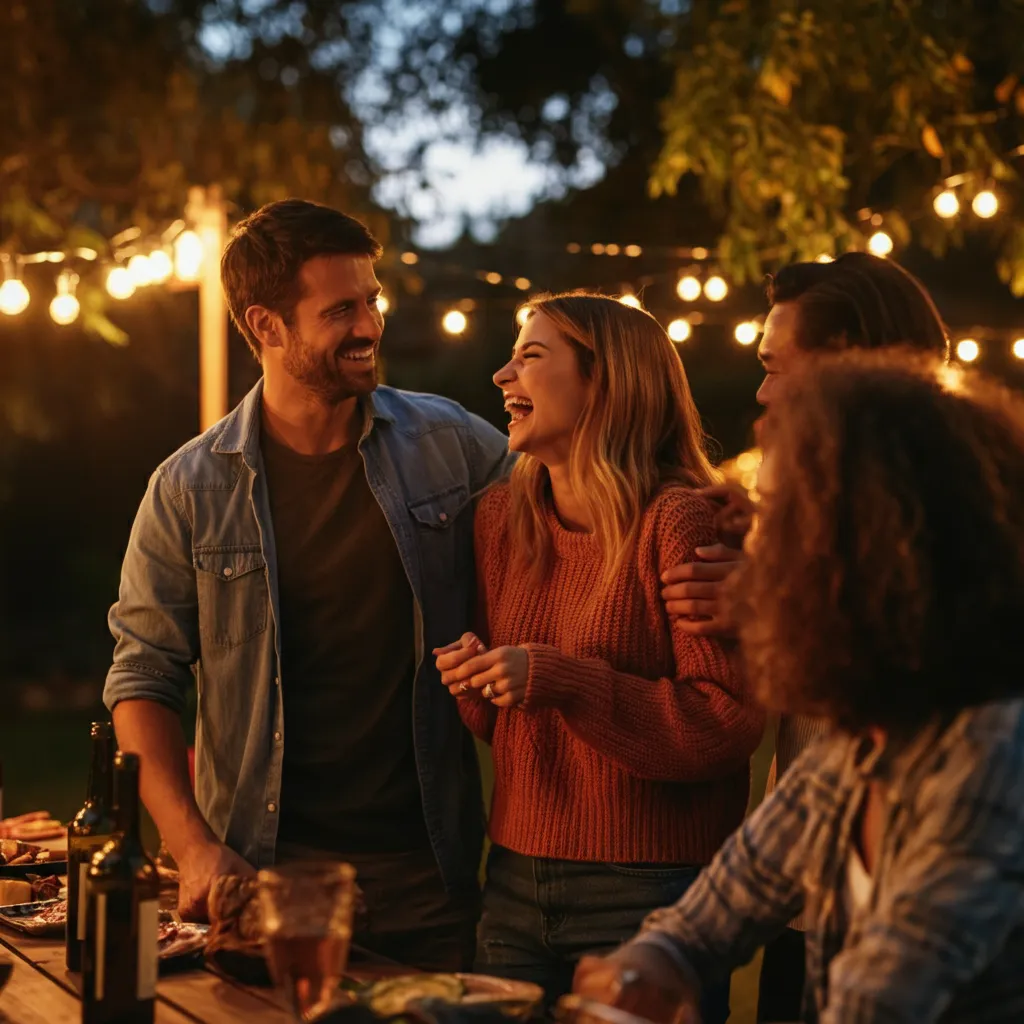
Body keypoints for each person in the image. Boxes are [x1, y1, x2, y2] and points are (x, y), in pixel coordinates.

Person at [104, 199, 514, 969]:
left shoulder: (451, 445)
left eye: (372, 301)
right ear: (266, 326)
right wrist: (191, 848)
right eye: (341, 310)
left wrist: (697, 507)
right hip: (261, 883)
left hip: (424, 872)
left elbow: (583, 504)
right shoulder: (188, 488)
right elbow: (142, 676)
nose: (370, 327)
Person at [573, 349, 1024, 1023]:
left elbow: (879, 1004)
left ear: (870, 547)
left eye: (777, 518)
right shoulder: (865, 735)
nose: (752, 551)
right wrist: (648, 965)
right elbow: (727, 901)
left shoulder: (988, 757)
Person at [434, 292, 766, 1019]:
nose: (500, 374)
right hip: (516, 878)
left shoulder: (681, 520)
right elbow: (501, 728)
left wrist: (559, 679)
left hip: (651, 893)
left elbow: (722, 725)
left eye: (531, 356)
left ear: (605, 383)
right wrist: (477, 678)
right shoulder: (500, 518)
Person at [658, 252, 949, 1020]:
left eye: (778, 367)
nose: (761, 391)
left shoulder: (964, 514)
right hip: (809, 901)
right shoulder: (816, 501)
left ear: (853, 364)